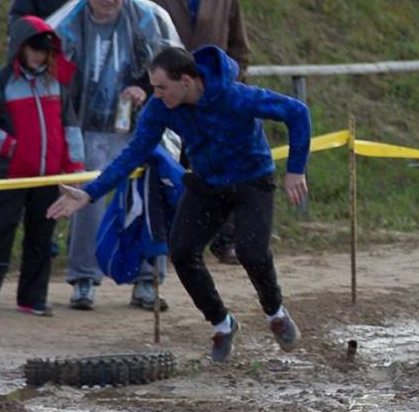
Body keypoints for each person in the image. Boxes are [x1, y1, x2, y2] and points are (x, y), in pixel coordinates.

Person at [48, 46, 312, 364]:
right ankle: (222, 324)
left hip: (252, 180)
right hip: (206, 183)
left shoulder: (236, 96)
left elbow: (298, 112)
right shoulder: (160, 108)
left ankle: (275, 313)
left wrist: (296, 169)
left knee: (251, 253)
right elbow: (134, 153)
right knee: (183, 253)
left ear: (186, 81)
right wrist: (90, 192)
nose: (156, 95)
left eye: (162, 87)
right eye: (153, 87)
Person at [54, 0, 179, 311]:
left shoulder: (146, 18)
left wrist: (144, 89)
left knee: (147, 200)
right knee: (86, 200)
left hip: (140, 127)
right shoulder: (69, 24)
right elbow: (58, 76)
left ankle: (148, 280)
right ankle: (84, 279)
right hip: (89, 127)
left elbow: (168, 64)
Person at [0, 17, 85, 315]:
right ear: (20, 47)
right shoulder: (0, 81)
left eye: (45, 51)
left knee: (41, 236)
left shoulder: (56, 82)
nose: (40, 56)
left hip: (48, 177)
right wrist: (13, 147)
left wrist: (75, 165)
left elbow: (70, 127)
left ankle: (33, 298)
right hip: (11, 175)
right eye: (34, 49)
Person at [143, 0, 251, 264]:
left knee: (224, 168)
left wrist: (228, 86)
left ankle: (226, 240)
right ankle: (172, 238)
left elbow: (240, 47)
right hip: (170, 98)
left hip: (214, 98)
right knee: (171, 168)